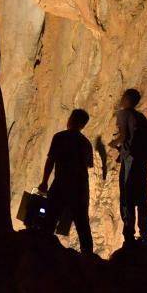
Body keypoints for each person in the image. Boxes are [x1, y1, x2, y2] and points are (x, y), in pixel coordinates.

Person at [38, 108, 94, 254]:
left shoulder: (60, 137)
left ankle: (44, 252)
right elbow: (88, 165)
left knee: (50, 218)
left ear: (70, 120)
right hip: (80, 187)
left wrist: (44, 182)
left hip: (61, 183)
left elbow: (51, 160)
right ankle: (87, 255)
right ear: (83, 125)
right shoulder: (86, 143)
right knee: (82, 223)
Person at [110, 88, 147, 245]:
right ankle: (145, 233)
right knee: (142, 197)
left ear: (126, 99)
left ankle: (129, 235)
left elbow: (124, 136)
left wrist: (113, 143)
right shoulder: (141, 117)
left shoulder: (124, 114)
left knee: (127, 196)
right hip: (142, 163)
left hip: (130, 162)